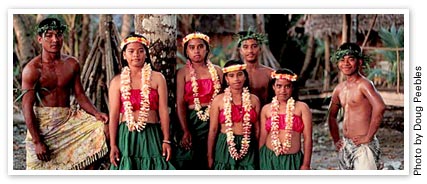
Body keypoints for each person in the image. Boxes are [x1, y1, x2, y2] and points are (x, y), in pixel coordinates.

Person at [21, 18, 108, 170]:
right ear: (40, 39)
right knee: (38, 168)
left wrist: (96, 113)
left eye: (59, 34)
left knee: (105, 127)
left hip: (68, 119)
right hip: (44, 123)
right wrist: (37, 141)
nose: (55, 39)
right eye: (49, 35)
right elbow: (27, 108)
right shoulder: (32, 69)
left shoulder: (71, 64)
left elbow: (80, 95)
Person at [108, 32, 175, 170]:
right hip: (126, 136)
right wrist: (113, 144)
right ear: (124, 55)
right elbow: (114, 115)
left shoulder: (157, 78)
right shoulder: (117, 82)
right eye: (131, 51)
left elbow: (163, 111)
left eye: (140, 51)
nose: (136, 55)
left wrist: (166, 139)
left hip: (152, 134)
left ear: (146, 54)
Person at [328, 42, 386, 170]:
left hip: (363, 145)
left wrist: (368, 137)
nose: (346, 63)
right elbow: (331, 115)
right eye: (342, 60)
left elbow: (380, 107)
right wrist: (336, 139)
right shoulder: (339, 89)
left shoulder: (364, 85)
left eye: (351, 59)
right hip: (346, 145)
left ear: (359, 62)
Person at [173, 32, 223, 169]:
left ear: (207, 49)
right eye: (192, 47)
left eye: (200, 47)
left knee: (213, 156)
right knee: (191, 159)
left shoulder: (218, 71)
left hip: (215, 119)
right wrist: (185, 130)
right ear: (186, 52)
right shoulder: (182, 73)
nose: (197, 51)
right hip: (192, 120)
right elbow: (180, 103)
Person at [207, 59, 260, 170]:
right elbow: (213, 130)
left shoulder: (254, 100)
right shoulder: (218, 100)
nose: (236, 79)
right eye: (231, 76)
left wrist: (259, 151)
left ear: (245, 76)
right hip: (224, 144)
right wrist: (210, 155)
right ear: (226, 79)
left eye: (240, 74)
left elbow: (257, 130)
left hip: (248, 145)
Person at [258, 68, 312, 170]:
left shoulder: (302, 107)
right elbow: (262, 137)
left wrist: (306, 164)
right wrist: (259, 159)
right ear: (273, 87)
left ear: (293, 88)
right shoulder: (266, 109)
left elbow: (308, 138)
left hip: (293, 160)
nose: (283, 90)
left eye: (287, 86)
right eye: (279, 86)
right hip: (269, 157)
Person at [236, 30, 274, 106]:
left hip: (265, 114)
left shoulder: (270, 73)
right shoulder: (235, 74)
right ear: (240, 51)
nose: (250, 51)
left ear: (260, 49)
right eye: (245, 47)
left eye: (254, 46)